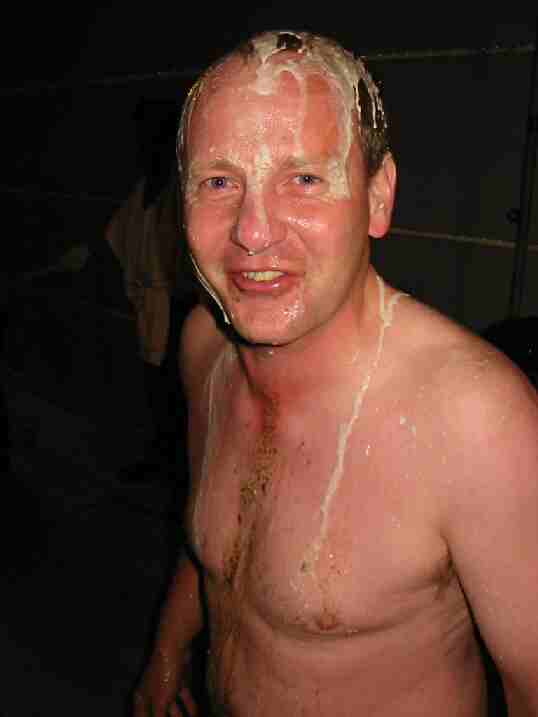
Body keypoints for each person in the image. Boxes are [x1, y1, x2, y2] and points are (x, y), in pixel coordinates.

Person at [133, 30, 538, 716]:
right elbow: (214, 547)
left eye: (304, 179)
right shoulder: (205, 348)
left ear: (378, 197)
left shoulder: (478, 420)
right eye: (219, 181)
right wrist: (166, 656)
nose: (253, 232)